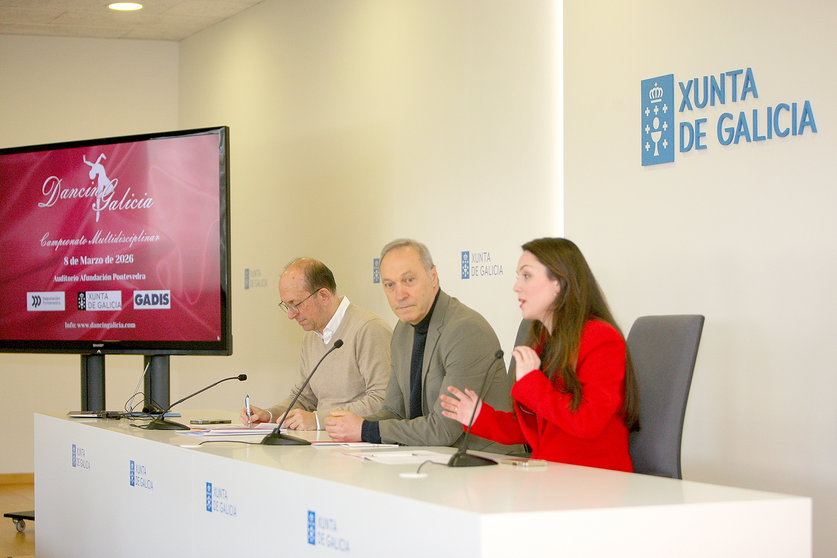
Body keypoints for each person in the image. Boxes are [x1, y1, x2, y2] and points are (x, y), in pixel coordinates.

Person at [440, 238, 639, 471]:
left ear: (558, 282)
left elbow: (587, 423)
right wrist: (478, 416)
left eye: (526, 276)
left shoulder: (602, 338)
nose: (516, 286)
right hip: (551, 476)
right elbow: (536, 428)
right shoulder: (542, 341)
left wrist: (533, 382)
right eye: (518, 276)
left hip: (594, 480)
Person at [325, 239, 519, 455]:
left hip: (484, 462)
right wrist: (350, 426)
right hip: (429, 457)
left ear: (433, 277)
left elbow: (444, 430)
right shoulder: (403, 329)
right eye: (390, 285)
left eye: (408, 280)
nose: (400, 295)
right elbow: (394, 411)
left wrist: (365, 429)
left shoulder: (466, 330)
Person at [241, 258, 392, 430]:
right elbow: (305, 399)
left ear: (323, 296)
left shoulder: (369, 328)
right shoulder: (310, 338)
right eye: (287, 306)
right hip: (324, 441)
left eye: (295, 304)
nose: (291, 315)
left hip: (361, 445)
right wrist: (269, 415)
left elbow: (383, 400)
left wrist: (319, 420)